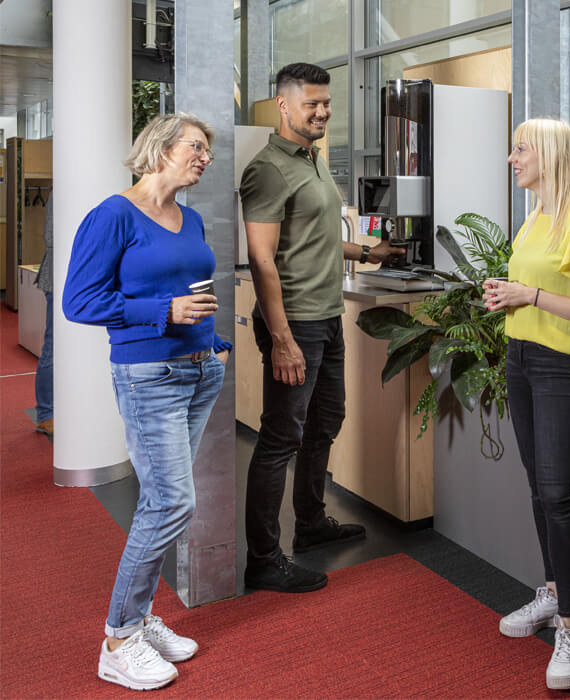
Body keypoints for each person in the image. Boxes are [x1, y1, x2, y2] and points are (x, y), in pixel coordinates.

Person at [62, 113, 230, 691]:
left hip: (199, 369)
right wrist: (161, 314)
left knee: (162, 502)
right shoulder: (113, 216)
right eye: (197, 146)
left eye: (207, 149)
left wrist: (215, 343)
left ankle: (140, 619)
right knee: (170, 504)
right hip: (147, 374)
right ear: (160, 147)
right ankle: (117, 639)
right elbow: (79, 302)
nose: (205, 156)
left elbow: (193, 292)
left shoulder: (191, 217)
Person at [239, 62, 403, 593]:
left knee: (325, 421)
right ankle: (264, 558)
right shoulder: (268, 169)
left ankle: (309, 525)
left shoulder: (311, 160)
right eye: (311, 103)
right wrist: (282, 339)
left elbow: (315, 237)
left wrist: (368, 252)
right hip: (297, 324)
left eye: (326, 103)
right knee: (281, 436)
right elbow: (263, 259)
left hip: (327, 317)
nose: (322, 111)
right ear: (283, 105)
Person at [483, 118, 570, 691]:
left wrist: (529, 294)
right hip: (520, 357)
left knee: (559, 495)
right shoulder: (534, 217)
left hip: (562, 367)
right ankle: (553, 591)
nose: (512, 158)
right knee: (539, 488)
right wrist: (507, 299)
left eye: (520, 150)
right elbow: (531, 293)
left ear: (548, 155)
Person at [34, 190, 54, 436]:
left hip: (78, 282)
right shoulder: (60, 191)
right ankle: (45, 414)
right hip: (57, 280)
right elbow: (51, 237)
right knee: (53, 347)